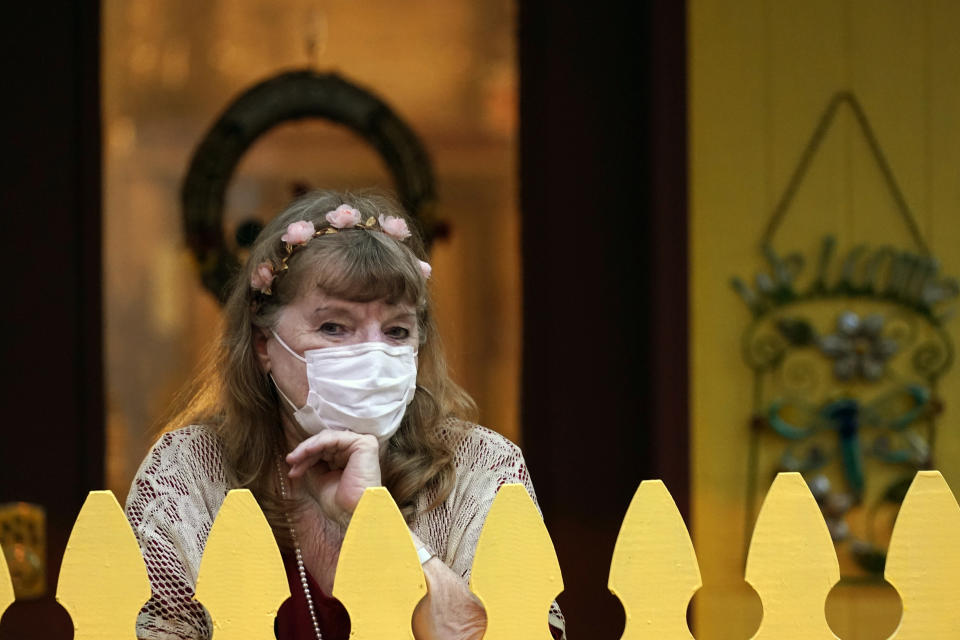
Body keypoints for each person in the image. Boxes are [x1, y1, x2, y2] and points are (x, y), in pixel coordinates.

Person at [124, 189, 566, 640]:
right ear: (264, 346)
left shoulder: (478, 465)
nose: (372, 355)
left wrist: (374, 522)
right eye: (333, 326)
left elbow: (486, 633)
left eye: (396, 331)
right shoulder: (191, 470)